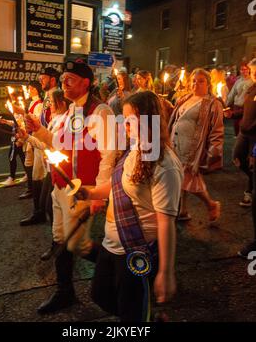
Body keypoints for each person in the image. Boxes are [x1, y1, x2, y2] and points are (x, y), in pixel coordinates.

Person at [76, 91, 183, 322]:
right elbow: (118, 185)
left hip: (135, 250)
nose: (124, 125)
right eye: (123, 118)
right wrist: (92, 192)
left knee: (131, 315)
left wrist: (165, 272)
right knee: (100, 295)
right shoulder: (134, 149)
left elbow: (166, 223)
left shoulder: (165, 165)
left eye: (130, 119)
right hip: (111, 244)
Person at [24, 59, 116, 313]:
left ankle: (122, 267)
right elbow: (57, 143)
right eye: (63, 79)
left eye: (69, 80)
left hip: (82, 189)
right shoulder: (69, 111)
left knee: (77, 244)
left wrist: (99, 194)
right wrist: (39, 130)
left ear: (86, 83)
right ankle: (65, 292)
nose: (63, 83)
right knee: (60, 240)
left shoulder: (100, 112)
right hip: (60, 187)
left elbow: (109, 155)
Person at [17, 89, 70, 260]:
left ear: (61, 103)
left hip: (60, 170)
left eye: (52, 103)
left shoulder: (65, 122)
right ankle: (59, 242)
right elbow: (44, 144)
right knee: (47, 205)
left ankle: (62, 244)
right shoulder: (55, 120)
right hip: (52, 168)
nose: (50, 106)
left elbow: (51, 145)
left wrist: (34, 137)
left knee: (50, 206)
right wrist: (28, 137)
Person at [169, 68, 224, 224]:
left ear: (208, 84)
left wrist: (215, 149)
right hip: (176, 144)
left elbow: (217, 129)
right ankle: (183, 210)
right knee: (180, 177)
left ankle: (211, 204)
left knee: (187, 178)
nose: (196, 84)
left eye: (201, 81)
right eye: (193, 80)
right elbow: (175, 118)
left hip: (192, 148)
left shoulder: (213, 103)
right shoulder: (185, 98)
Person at [20, 67, 60, 226]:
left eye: (43, 78)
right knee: (37, 176)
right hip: (40, 140)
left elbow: (54, 122)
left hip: (48, 143)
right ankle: (39, 212)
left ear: (52, 79)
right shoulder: (47, 97)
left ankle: (47, 215)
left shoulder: (57, 96)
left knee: (47, 181)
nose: (40, 81)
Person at [237, 58, 256, 257]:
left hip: (254, 140)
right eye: (252, 72)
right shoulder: (251, 89)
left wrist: (254, 151)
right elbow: (247, 111)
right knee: (236, 157)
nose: (253, 75)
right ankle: (250, 180)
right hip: (245, 134)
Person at [18, 81, 43, 200]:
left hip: (35, 137)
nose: (29, 90)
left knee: (32, 165)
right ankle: (31, 188)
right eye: (28, 88)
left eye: (31, 88)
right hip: (29, 136)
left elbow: (36, 121)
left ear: (36, 90)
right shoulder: (32, 102)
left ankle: (33, 190)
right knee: (29, 163)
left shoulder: (39, 104)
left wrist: (23, 113)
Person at [0, 93, 26, 187]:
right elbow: (15, 124)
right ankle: (27, 174)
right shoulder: (15, 112)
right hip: (16, 138)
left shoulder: (21, 109)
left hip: (18, 139)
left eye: (12, 98)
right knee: (23, 157)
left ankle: (12, 178)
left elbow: (23, 125)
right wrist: (6, 121)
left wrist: (21, 140)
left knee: (12, 157)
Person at [226, 62, 253, 137]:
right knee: (236, 125)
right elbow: (232, 93)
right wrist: (226, 104)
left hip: (246, 107)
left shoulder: (252, 81)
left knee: (244, 125)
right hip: (237, 105)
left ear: (249, 70)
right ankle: (237, 139)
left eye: (245, 69)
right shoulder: (238, 81)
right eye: (242, 69)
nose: (244, 71)